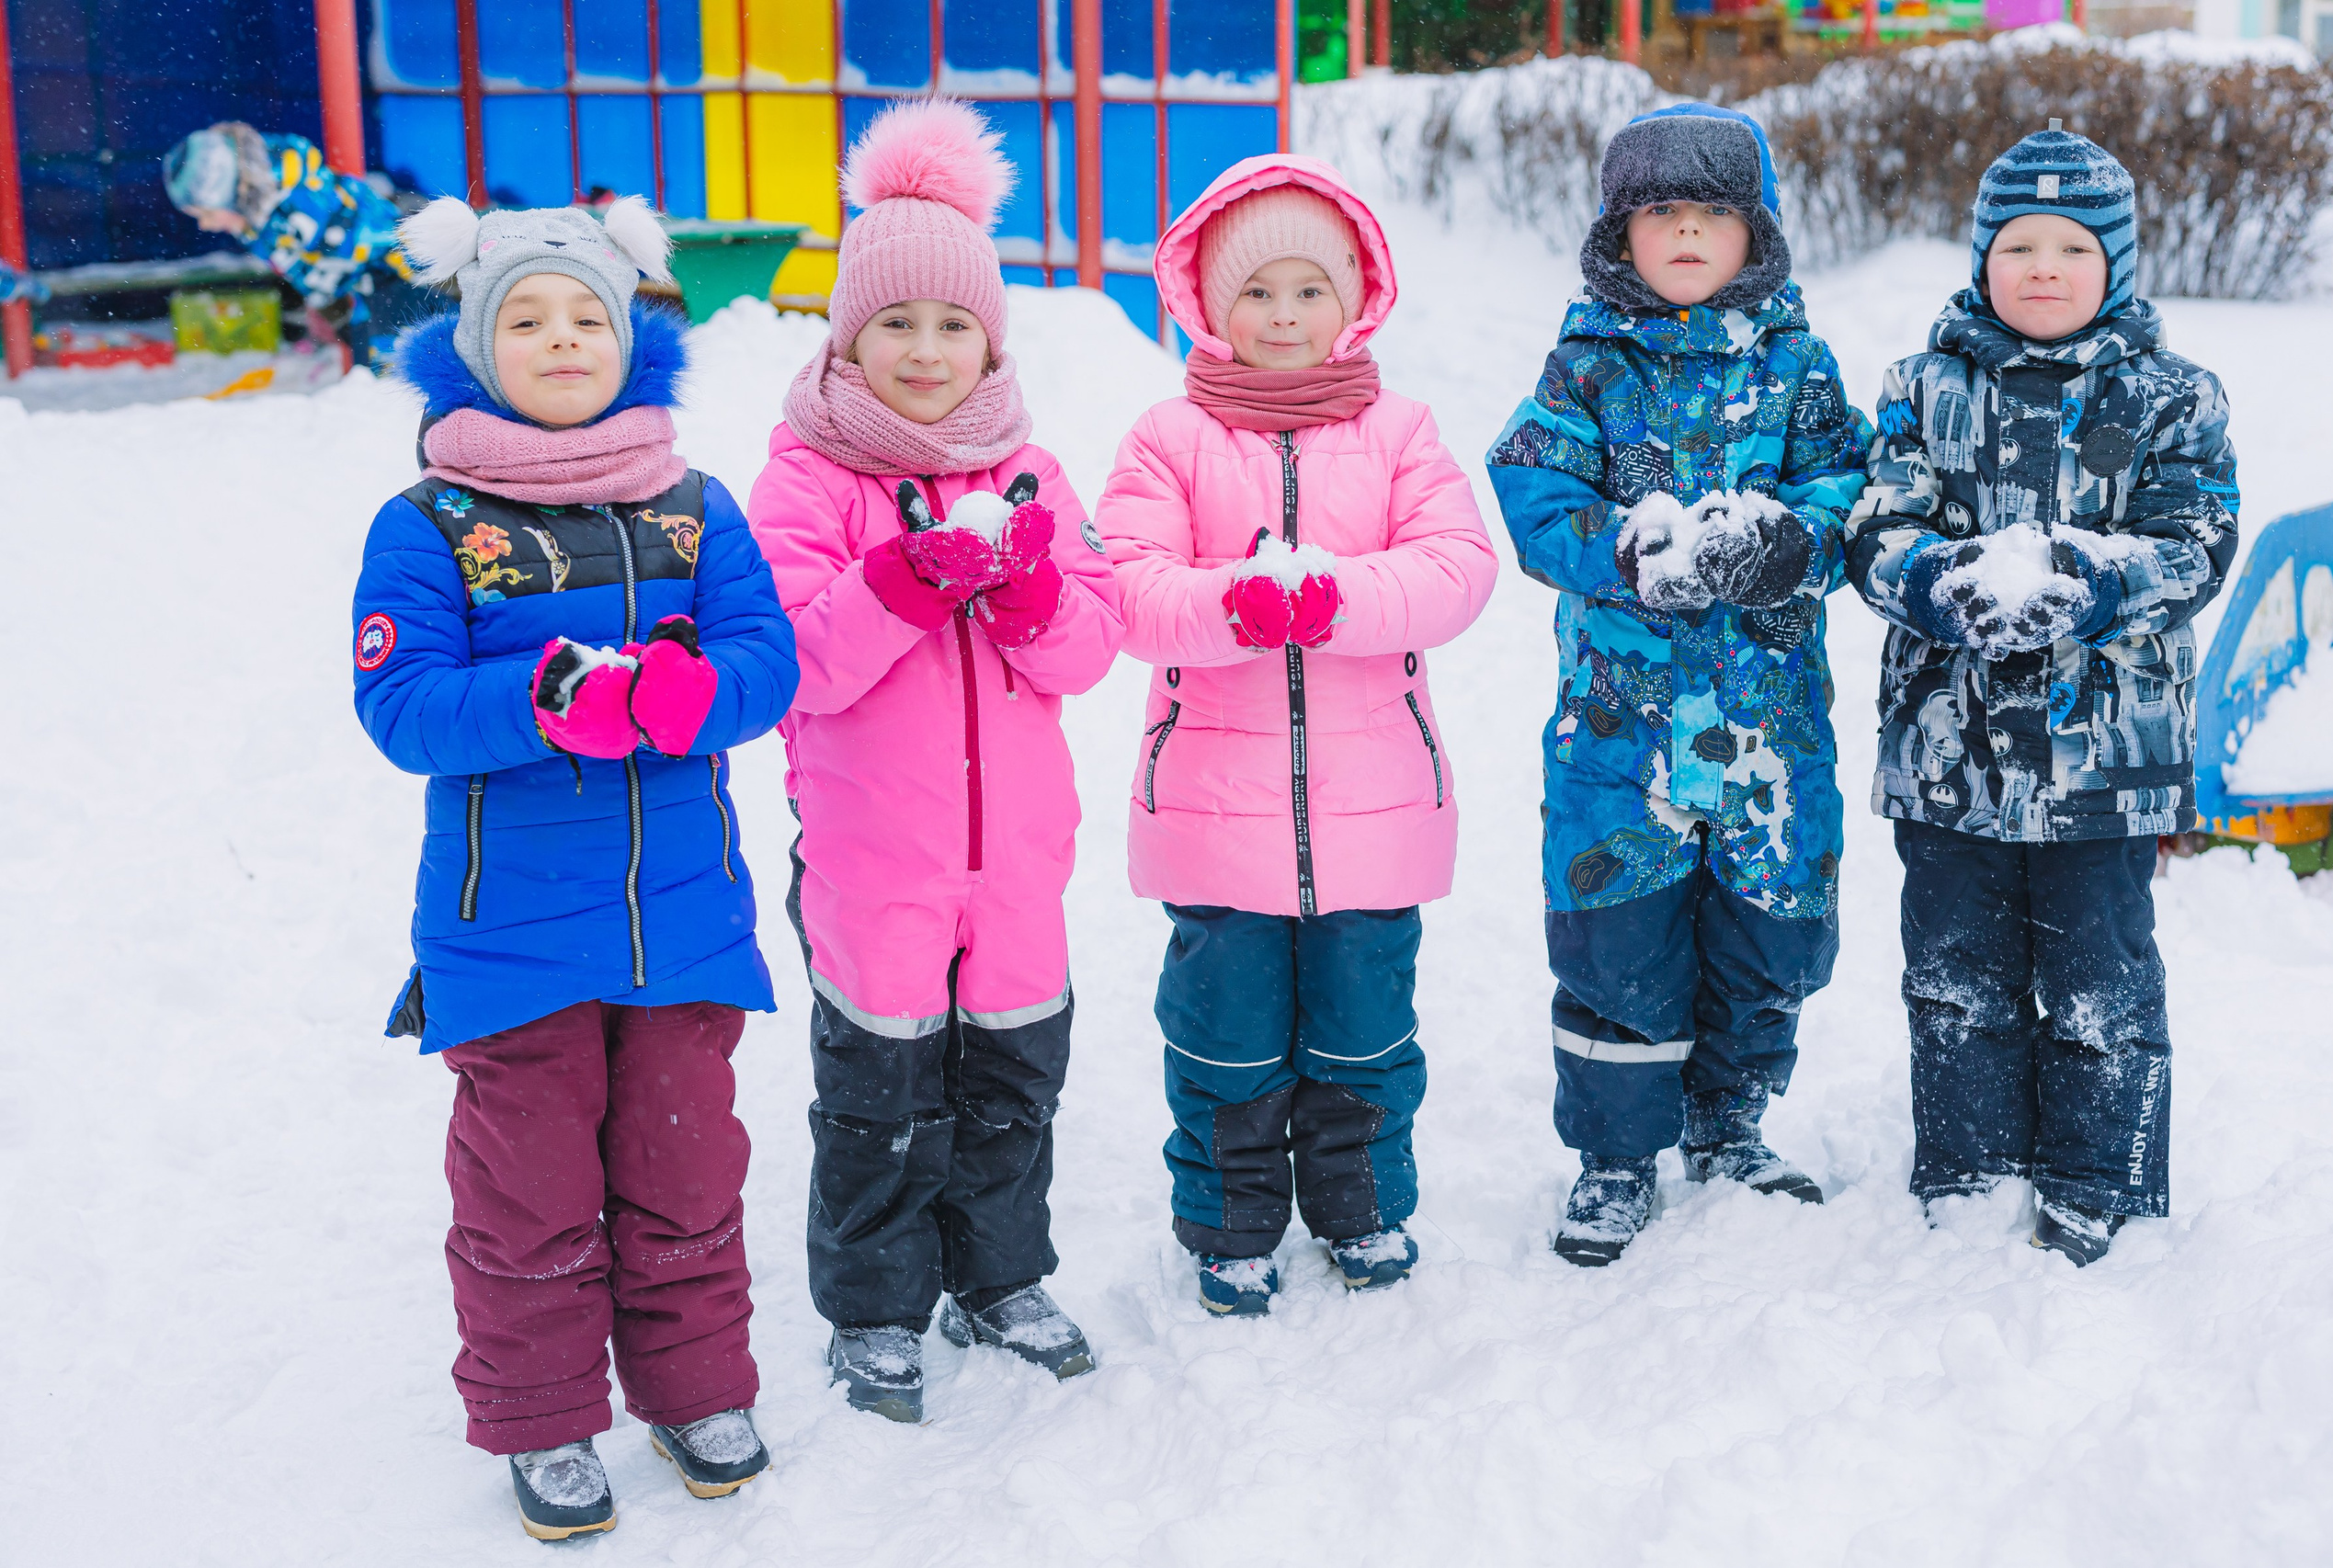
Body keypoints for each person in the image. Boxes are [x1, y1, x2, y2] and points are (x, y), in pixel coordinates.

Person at [351, 194, 800, 1540]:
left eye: (587, 317)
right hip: (508, 935)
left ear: (633, 341)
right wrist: (543, 702)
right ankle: (545, 1416)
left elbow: (767, 660)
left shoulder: (696, 505)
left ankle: (697, 1388)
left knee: (686, 1174)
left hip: (681, 927)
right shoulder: (427, 523)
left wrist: (685, 696)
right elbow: (403, 704)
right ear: (477, 350)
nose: (561, 339)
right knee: (528, 1195)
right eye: (527, 320)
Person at [744, 99, 1121, 1422]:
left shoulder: (1032, 473)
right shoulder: (807, 479)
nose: (924, 350)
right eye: (894, 324)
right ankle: (876, 1307)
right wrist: (902, 578)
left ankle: (1000, 1275)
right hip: (874, 860)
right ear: (848, 333)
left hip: (1015, 865)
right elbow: (794, 661)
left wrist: (1023, 597)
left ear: (990, 338)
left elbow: (1090, 644)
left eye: (953, 325)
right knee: (880, 1095)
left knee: (1015, 1079)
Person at [1096, 156, 1496, 1315]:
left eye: (1306, 291)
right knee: (1222, 1038)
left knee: (1367, 1029)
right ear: (1209, 306)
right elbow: (1125, 585)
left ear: (1354, 300)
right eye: (1256, 292)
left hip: (1373, 809)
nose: (1281, 315)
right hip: (1217, 810)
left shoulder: (1402, 430)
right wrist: (1231, 605)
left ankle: (1363, 1206)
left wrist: (1337, 599)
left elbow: (1455, 569)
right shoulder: (1168, 438)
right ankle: (1230, 1224)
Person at [1845, 122, 2238, 1266]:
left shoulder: (2174, 395)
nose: (2045, 268)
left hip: (2104, 758)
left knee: (2097, 975)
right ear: (1982, 262)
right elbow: (1877, 521)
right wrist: (1936, 581)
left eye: (2072, 246)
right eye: (2018, 246)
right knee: (1954, 970)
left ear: (2114, 263)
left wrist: (2090, 583)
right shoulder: (1921, 387)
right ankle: (1968, 1165)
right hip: (1946, 751)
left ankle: (2095, 1175)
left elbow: (2197, 538)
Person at [1486, 105, 1869, 1267]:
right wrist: (1624, 549)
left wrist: (1795, 543)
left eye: (1713, 213)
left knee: (1767, 935)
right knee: (1619, 940)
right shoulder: (1587, 365)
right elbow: (1532, 495)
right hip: (1622, 734)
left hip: (1764, 732)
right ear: (1622, 235)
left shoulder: (1797, 362)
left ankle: (1731, 1119)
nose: (1688, 233)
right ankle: (1614, 1155)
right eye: (1662, 214)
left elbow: (1849, 481)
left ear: (1755, 233)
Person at [163, 121, 428, 368]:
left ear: (232, 194)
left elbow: (368, 237)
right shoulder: (256, 225)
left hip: (397, 274)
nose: (205, 226)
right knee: (378, 376)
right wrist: (334, 312)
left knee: (411, 370)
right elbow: (305, 272)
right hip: (362, 298)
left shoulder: (299, 200)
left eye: (206, 214)